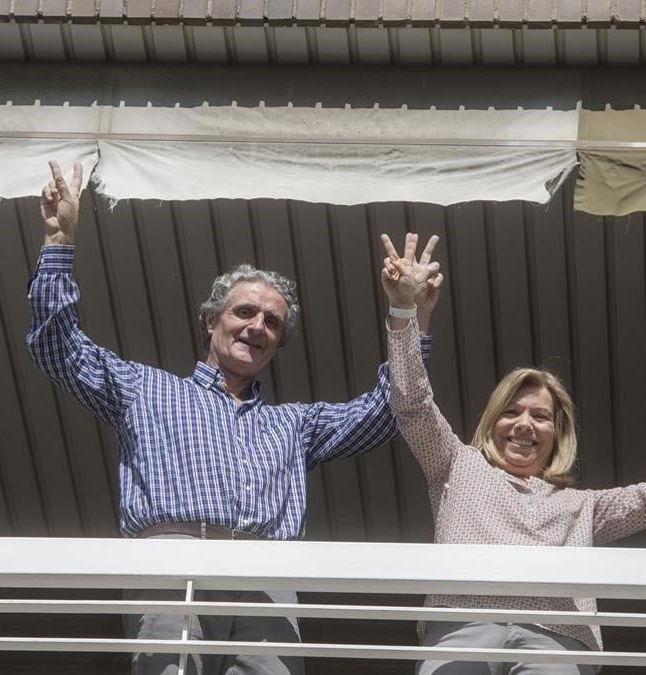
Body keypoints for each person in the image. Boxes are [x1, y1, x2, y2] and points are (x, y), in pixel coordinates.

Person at [26, 161, 439, 675]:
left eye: (272, 322)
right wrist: (59, 241)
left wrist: (409, 315)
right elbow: (56, 346)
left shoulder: (294, 424)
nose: (257, 327)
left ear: (279, 343)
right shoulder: (145, 389)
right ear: (210, 320)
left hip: (267, 576)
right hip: (173, 565)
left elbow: (389, 410)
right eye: (244, 312)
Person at [379, 233, 646, 675]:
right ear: (492, 420)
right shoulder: (455, 464)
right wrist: (406, 311)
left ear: (557, 434)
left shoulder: (583, 507)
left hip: (556, 635)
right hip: (464, 623)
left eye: (540, 417)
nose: (523, 424)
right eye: (512, 412)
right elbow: (412, 404)